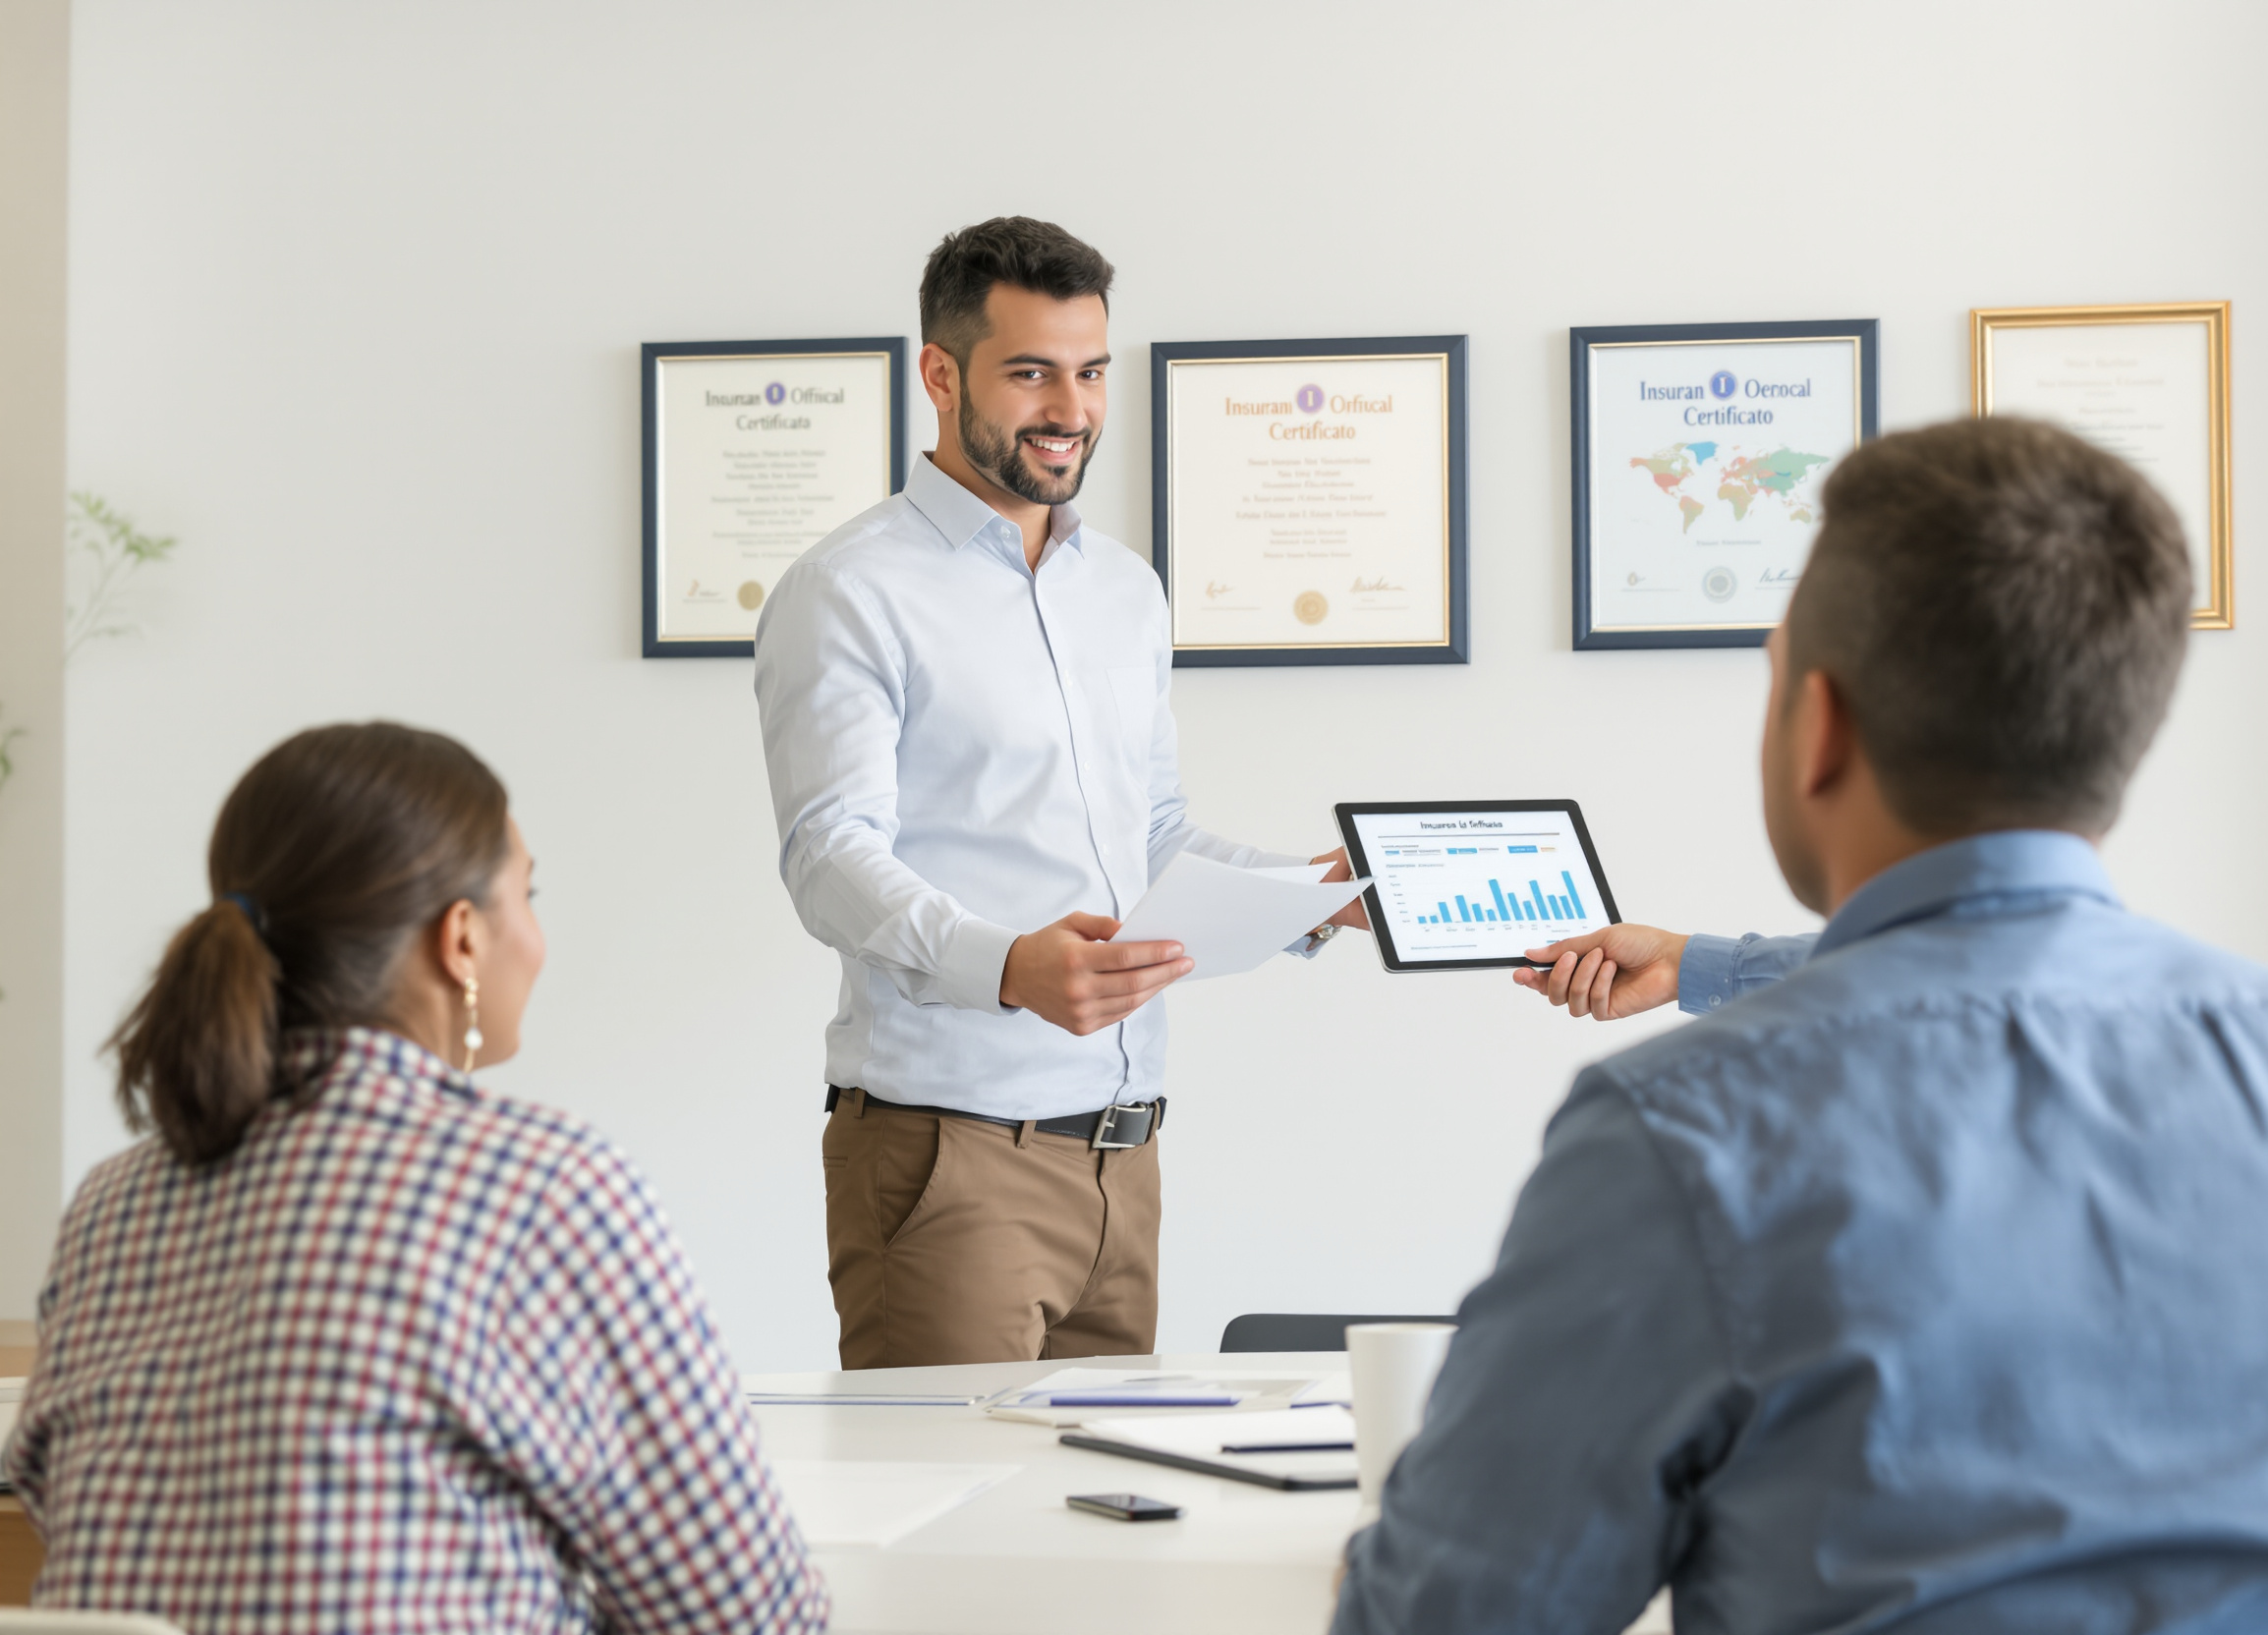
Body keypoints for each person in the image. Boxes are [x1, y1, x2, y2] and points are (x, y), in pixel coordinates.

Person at [1334, 419, 2268, 1633]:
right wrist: (1704, 961)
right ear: (2114, 733)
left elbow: (1452, 1615)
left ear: (1819, 724)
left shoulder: (1682, 1133)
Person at [2, 722, 828, 1635]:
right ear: (462, 939)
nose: (540, 935)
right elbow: (748, 1615)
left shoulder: (114, 1202)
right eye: (530, 893)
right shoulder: (543, 1189)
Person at [754, 216, 1361, 1369]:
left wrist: (1312, 895)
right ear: (941, 374)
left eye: (1090, 372)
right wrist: (1008, 965)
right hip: (952, 1162)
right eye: (1030, 371)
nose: (1070, 409)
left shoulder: (1123, 590)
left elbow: (1158, 831)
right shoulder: (848, 589)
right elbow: (829, 854)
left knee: (1100, 1518)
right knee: (952, 1527)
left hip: (1124, 1162)